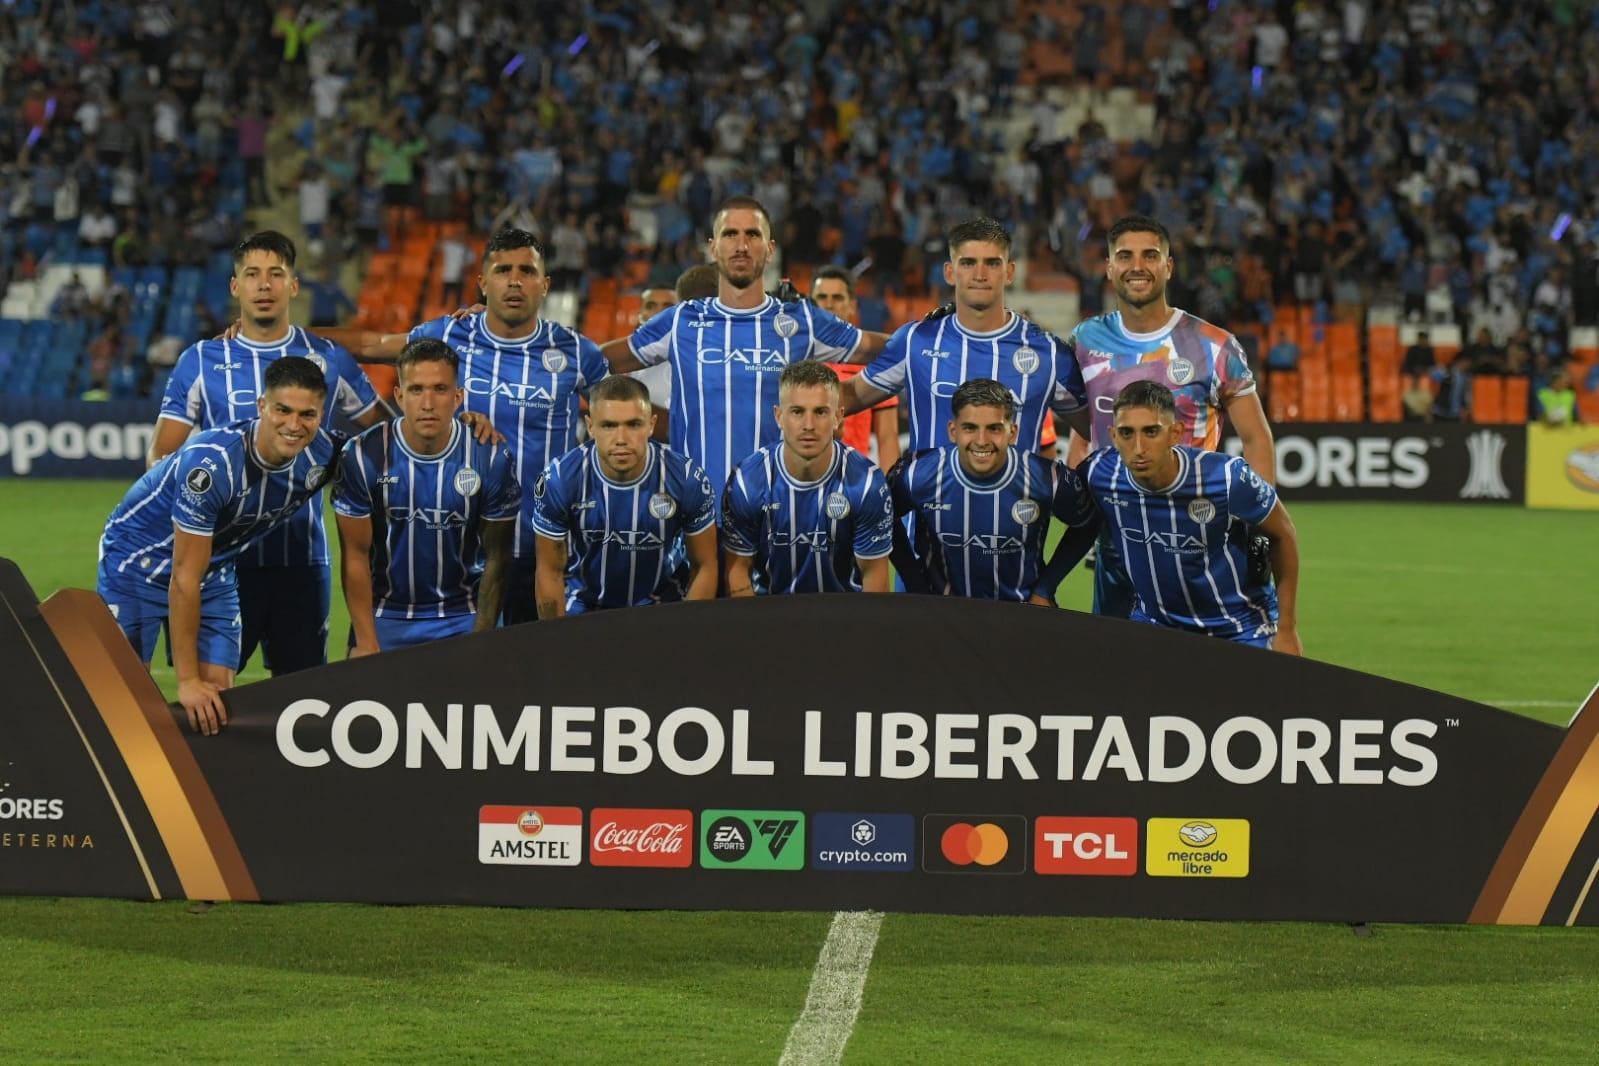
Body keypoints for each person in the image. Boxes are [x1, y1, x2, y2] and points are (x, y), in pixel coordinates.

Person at [315, 228, 609, 624]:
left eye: (527, 270)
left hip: (543, 550)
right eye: (503, 270)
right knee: (455, 679)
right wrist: (284, 336)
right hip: (456, 552)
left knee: (534, 677)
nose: (515, 280)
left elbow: (620, 416)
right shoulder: (449, 334)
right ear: (482, 283)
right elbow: (370, 345)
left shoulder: (576, 352)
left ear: (545, 285)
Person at [149, 231, 386, 677]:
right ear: (235, 286)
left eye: (276, 274)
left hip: (301, 562)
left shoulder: (329, 358)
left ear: (293, 286)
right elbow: (162, 460)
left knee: (303, 702)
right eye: (252, 275)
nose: (264, 285)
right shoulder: (200, 360)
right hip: (219, 565)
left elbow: (389, 436)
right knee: (205, 697)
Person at [100, 358, 344, 734]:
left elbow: (386, 451)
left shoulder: (323, 455)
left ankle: (197, 789)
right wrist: (186, 681)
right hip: (136, 562)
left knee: (216, 701)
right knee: (127, 701)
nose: (294, 426)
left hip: (214, 566)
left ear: (322, 414)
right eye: (282, 410)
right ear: (262, 406)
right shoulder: (213, 465)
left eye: (307, 414)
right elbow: (183, 577)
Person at [600, 196, 890, 503]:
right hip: (696, 516)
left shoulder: (801, 320)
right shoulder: (681, 321)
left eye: (752, 234)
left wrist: (836, 401)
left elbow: (896, 350)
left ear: (770, 249)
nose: (741, 245)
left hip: (779, 515)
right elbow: (591, 364)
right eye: (730, 234)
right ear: (713, 248)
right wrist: (652, 422)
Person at [1063, 214, 1277, 620]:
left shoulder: (1213, 345)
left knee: (1195, 666)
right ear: (1109, 268)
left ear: (1169, 265)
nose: (1137, 266)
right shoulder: (1084, 342)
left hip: (1197, 538)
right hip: (1118, 540)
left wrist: (1257, 524)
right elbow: (1084, 435)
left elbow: (1255, 437)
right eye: (1124, 256)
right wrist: (1083, 519)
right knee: (1116, 663)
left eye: (1150, 255)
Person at [1080, 381, 1300, 654]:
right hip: (1155, 626)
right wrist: (1045, 588)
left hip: (1240, 629)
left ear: (1175, 433)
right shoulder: (1099, 474)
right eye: (1126, 433)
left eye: (1151, 432)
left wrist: (1287, 629)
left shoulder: (1227, 478)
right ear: (1113, 436)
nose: (1138, 447)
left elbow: (1284, 534)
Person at [842, 217, 1090, 458]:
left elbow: (1102, 430)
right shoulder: (915, 341)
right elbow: (845, 397)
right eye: (968, 263)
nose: (980, 274)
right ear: (949, 272)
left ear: (1010, 271)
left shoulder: (1049, 353)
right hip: (928, 499)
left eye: (992, 263)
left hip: (1017, 500)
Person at [332, 339, 520, 654]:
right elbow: (355, 556)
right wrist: (366, 641)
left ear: (458, 397)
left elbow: (497, 558)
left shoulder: (490, 457)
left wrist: (482, 640)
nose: (428, 403)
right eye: (417, 390)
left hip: (464, 615)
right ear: (399, 395)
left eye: (440, 389)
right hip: (385, 615)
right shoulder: (363, 454)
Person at [888, 378, 1098, 603]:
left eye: (994, 429)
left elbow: (1088, 522)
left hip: (1022, 613)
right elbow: (883, 517)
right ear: (953, 430)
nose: (981, 440)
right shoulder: (916, 474)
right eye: (970, 428)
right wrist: (915, 581)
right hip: (942, 611)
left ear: (1013, 432)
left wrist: (1045, 589)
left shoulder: (1049, 479)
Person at [532, 376, 718, 616]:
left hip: (664, 604)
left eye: (633, 424)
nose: (621, 439)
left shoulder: (686, 478)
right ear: (590, 427)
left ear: (651, 425)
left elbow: (705, 565)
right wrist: (555, 641)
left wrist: (687, 634)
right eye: (609, 425)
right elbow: (549, 572)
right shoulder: (559, 479)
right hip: (585, 606)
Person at [722, 362, 895, 595]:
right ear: (779, 416)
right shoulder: (747, 482)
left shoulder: (865, 484)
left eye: (820, 412)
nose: (808, 425)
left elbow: (874, 578)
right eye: (797, 412)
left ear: (838, 417)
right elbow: (738, 573)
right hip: (769, 620)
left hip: (845, 620)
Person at [811, 265, 901, 469]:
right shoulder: (791, 357)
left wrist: (893, 493)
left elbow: (887, 436)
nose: (829, 304)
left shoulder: (873, 361)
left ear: (852, 306)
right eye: (822, 297)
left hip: (855, 484)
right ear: (810, 304)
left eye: (837, 298)